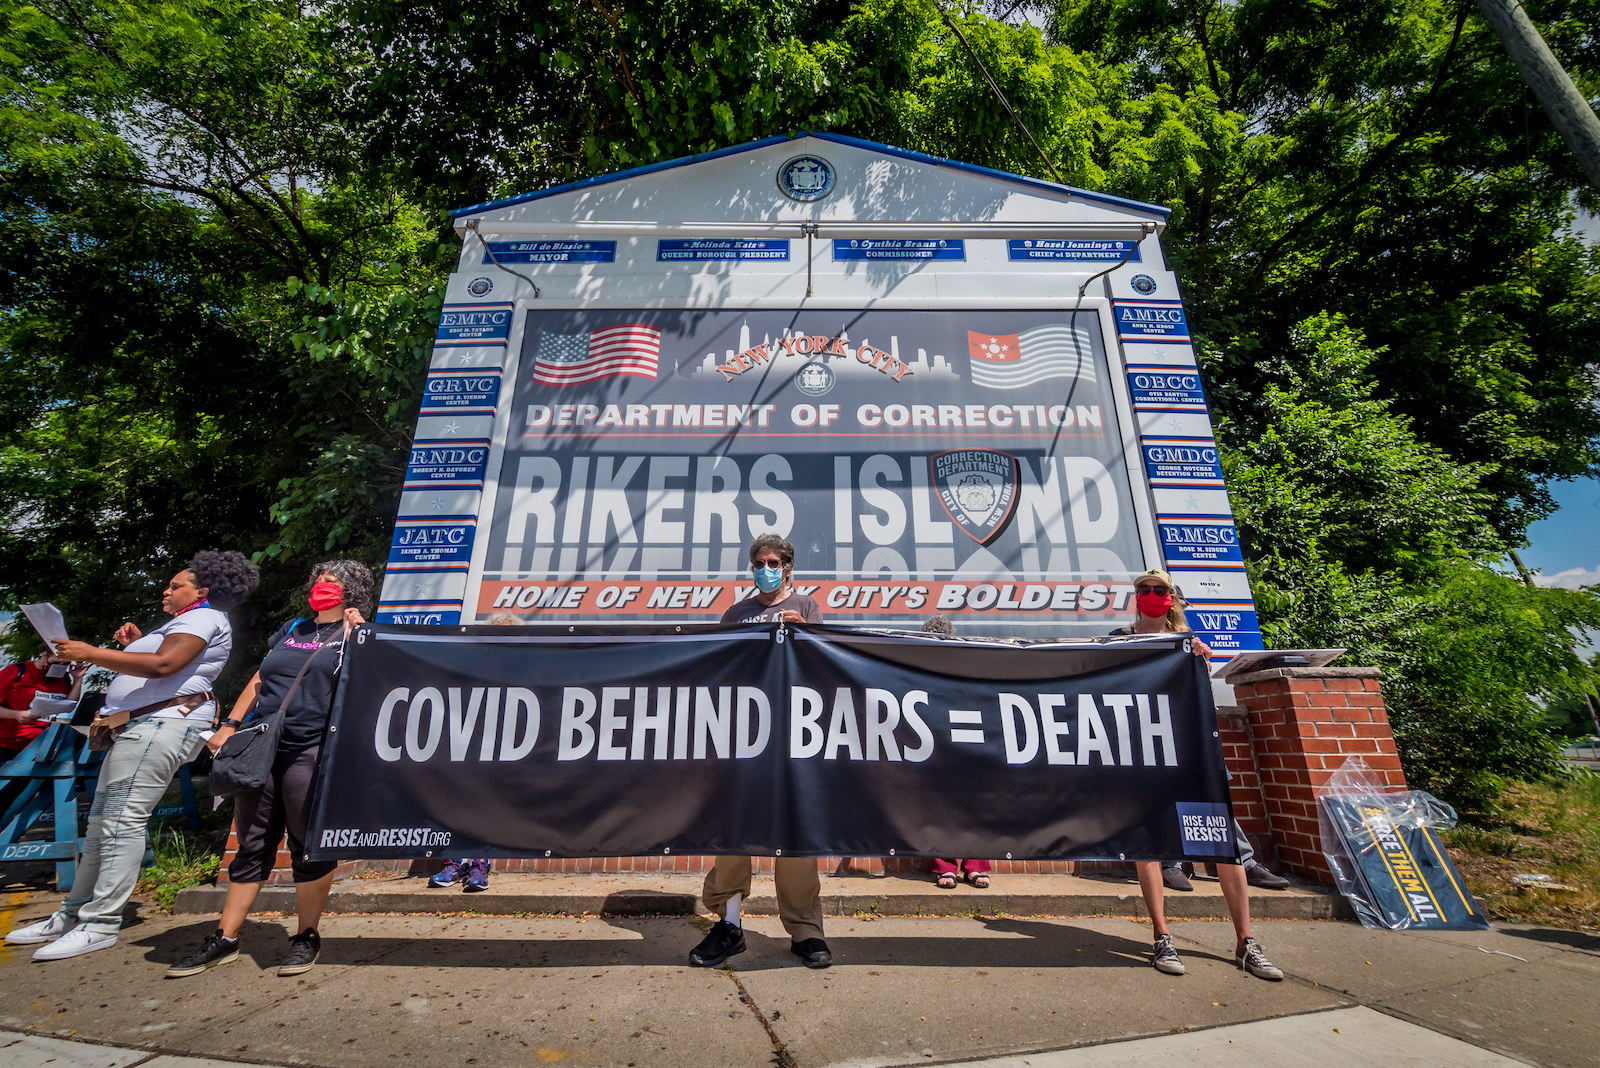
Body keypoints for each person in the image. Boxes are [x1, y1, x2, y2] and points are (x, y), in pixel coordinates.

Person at [6, 550, 259, 960]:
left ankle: (100, 923)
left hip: (159, 727)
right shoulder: (186, 621)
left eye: (176, 585)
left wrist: (90, 652)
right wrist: (136, 643)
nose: (167, 589)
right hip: (141, 727)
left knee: (120, 822)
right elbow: (161, 660)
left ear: (203, 591)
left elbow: (163, 665)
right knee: (101, 823)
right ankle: (73, 915)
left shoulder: (202, 618)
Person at [165, 560, 370, 979]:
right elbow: (260, 678)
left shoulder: (355, 636)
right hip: (261, 745)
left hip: (311, 748)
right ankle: (224, 937)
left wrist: (359, 633)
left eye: (332, 583)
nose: (321, 586)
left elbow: (372, 682)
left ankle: (306, 936)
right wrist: (229, 724)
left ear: (351, 592)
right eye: (319, 580)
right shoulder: (293, 629)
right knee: (253, 841)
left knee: (305, 843)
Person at [1116, 567, 1284, 981]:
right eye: (1144, 590)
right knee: (1149, 846)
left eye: (1159, 590)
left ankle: (1246, 941)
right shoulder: (1119, 641)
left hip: (1191, 752)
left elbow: (1199, 695)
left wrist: (1198, 660)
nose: (1151, 595)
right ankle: (1161, 935)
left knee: (1221, 844)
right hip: (1142, 754)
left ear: (1171, 598)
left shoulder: (1189, 645)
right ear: (1135, 597)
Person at [690, 533, 830, 970]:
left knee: (795, 835)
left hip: (794, 738)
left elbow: (829, 665)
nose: (765, 567)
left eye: (773, 561)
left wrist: (808, 635)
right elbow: (715, 666)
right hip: (744, 737)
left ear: (787, 566)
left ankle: (806, 932)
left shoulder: (806, 607)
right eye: (758, 561)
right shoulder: (736, 613)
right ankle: (730, 925)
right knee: (736, 831)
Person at [920, 615, 993, 889]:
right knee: (939, 805)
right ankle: (945, 867)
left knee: (975, 803)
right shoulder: (916, 667)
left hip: (969, 739)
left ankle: (975, 866)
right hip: (934, 742)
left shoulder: (968, 665)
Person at [0, 652, 87, 760]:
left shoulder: (63, 678)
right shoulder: (17, 671)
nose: (58, 668)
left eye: (64, 664)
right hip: (8, 745)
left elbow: (69, 704)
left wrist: (77, 679)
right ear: (44, 655)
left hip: (43, 744)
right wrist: (16, 714)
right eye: (55, 663)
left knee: (83, 744)